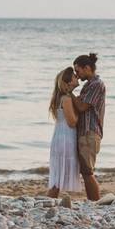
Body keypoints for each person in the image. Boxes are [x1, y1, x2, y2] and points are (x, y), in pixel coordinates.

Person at [71, 53, 105, 201]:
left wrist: (68, 92)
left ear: (87, 68)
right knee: (86, 171)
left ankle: (95, 203)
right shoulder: (89, 85)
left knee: (87, 171)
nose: (77, 76)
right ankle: (94, 202)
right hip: (85, 132)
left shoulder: (96, 84)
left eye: (77, 71)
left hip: (90, 132)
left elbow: (82, 106)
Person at [46, 67, 83, 198]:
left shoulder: (61, 97)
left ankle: (49, 200)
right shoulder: (66, 99)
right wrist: (80, 112)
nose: (77, 77)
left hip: (60, 136)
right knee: (59, 176)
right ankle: (48, 200)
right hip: (66, 138)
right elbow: (72, 122)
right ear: (68, 82)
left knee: (59, 174)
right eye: (74, 76)